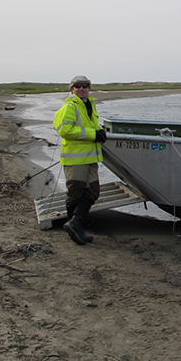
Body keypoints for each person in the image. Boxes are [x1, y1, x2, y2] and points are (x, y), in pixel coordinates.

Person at [53, 75, 107, 245]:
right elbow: (64, 130)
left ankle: (75, 223)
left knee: (92, 192)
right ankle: (75, 226)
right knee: (75, 192)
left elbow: (92, 125)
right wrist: (93, 135)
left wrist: (100, 132)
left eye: (85, 86)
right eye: (78, 86)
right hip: (75, 158)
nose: (82, 89)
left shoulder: (90, 104)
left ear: (89, 88)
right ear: (72, 89)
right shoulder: (69, 106)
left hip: (91, 157)